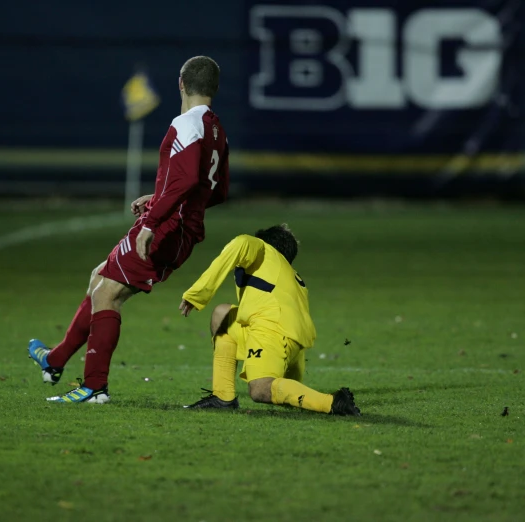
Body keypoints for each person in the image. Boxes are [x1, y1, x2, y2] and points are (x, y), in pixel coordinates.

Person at [27, 56, 229, 403]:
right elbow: (215, 190)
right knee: (99, 278)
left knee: (107, 294)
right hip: (182, 225)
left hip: (167, 227)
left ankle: (93, 388)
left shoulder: (186, 124)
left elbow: (186, 181)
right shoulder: (216, 129)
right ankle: (56, 359)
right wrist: (161, 195)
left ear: (181, 83)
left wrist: (152, 220)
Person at [179, 224, 361, 416]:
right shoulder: (291, 274)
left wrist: (197, 294)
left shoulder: (261, 248)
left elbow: (240, 242)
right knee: (222, 314)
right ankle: (222, 397)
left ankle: (332, 402)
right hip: (295, 343)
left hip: (272, 330)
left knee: (260, 389)